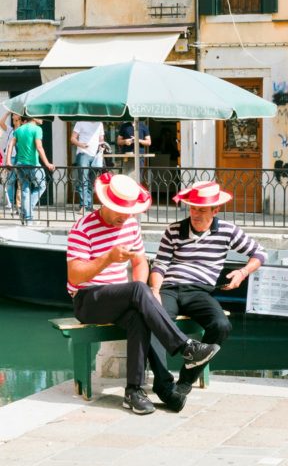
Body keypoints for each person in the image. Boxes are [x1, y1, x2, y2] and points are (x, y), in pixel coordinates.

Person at [67, 173, 220, 415]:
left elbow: (140, 264)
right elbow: (75, 276)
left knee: (140, 313)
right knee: (140, 289)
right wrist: (107, 259)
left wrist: (142, 299)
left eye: (128, 211)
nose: (125, 216)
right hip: (87, 301)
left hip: (118, 297)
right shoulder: (82, 228)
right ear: (104, 203)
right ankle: (186, 347)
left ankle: (133, 391)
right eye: (120, 210)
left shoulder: (130, 225)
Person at [147, 181, 266, 405]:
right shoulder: (173, 230)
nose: (196, 214)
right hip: (169, 288)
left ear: (215, 210)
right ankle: (162, 385)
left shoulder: (227, 231)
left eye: (201, 209)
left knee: (221, 326)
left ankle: (184, 383)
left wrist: (241, 273)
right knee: (154, 322)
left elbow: (259, 253)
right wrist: (154, 290)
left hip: (199, 291)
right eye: (193, 208)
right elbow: (160, 264)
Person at [6, 115, 55, 224]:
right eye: (40, 117)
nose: (42, 120)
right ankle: (27, 212)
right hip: (33, 165)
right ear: (34, 117)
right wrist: (47, 163)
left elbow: (10, 144)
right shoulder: (37, 129)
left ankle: (27, 218)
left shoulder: (19, 130)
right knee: (42, 186)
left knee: (25, 189)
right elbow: (39, 147)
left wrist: (8, 161)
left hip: (20, 165)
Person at [71, 121, 105, 215]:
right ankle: (83, 206)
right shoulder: (80, 122)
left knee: (91, 181)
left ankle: (89, 205)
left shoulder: (100, 123)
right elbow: (72, 138)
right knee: (83, 180)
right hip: (83, 154)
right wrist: (81, 145)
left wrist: (102, 146)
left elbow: (101, 138)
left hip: (96, 155)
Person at [0, 111, 21, 214]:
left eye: (15, 115)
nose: (13, 117)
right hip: (11, 158)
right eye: (13, 116)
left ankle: (19, 206)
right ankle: (11, 205)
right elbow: (1, 122)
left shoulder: (22, 129)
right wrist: (7, 112)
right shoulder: (10, 130)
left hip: (20, 158)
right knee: (11, 181)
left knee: (20, 183)